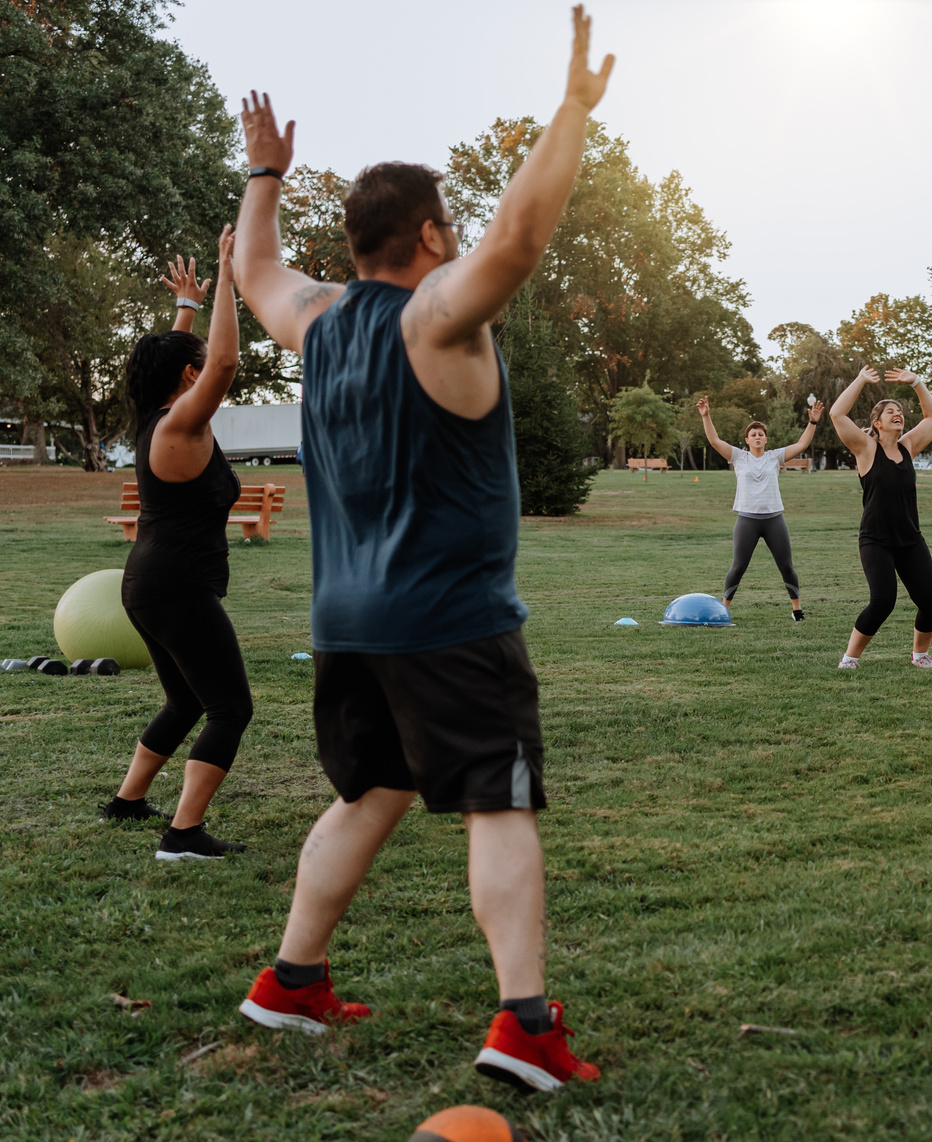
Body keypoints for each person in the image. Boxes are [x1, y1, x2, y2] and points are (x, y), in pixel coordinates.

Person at [226, 8, 614, 1092]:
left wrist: (263, 174)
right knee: (499, 799)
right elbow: (520, 240)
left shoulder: (316, 320)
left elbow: (255, 267)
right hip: (447, 620)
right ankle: (524, 1025)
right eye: (452, 227)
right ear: (433, 238)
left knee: (372, 793)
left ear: (357, 245)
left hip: (348, 624)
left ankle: (292, 979)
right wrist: (572, 112)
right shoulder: (435, 315)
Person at [102, 228, 255, 863]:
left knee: (187, 699)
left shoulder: (157, 420)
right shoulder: (183, 423)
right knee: (230, 708)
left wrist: (186, 308)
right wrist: (227, 276)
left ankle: (128, 801)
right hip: (176, 587)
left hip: (149, 582)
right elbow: (222, 363)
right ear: (189, 377)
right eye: (197, 367)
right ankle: (183, 835)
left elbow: (180, 362)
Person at [827, 365, 932, 669]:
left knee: (929, 599)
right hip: (876, 540)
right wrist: (860, 380)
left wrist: (917, 382)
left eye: (900, 411)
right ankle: (849, 659)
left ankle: (920, 655)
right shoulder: (866, 448)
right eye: (890, 411)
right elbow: (837, 414)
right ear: (876, 423)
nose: (898, 414)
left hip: (910, 539)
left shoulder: (908, 447)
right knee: (883, 601)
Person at [696, 394, 823, 620]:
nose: (757, 437)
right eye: (753, 435)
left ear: (766, 440)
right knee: (738, 567)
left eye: (761, 435)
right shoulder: (738, 457)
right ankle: (724, 611)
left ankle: (797, 611)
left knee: (786, 567)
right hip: (747, 520)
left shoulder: (775, 457)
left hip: (774, 520)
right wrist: (706, 416)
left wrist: (812, 422)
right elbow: (714, 441)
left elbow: (802, 444)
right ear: (747, 440)